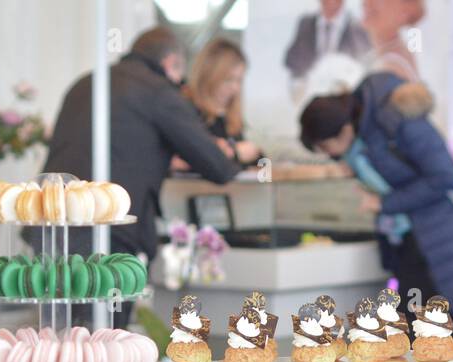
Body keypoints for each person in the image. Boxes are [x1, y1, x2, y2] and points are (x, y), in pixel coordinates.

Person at [299, 74, 453, 348]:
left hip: (445, 246)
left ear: (344, 130)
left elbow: (445, 176)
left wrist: (385, 203)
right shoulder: (363, 140)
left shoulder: (396, 118)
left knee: (442, 349)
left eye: (325, 147)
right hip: (414, 249)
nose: (329, 155)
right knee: (418, 344)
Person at [26, 27, 240, 262]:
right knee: (106, 298)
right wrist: (238, 152)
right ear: (171, 63)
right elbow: (217, 166)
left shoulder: (85, 83)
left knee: (53, 297)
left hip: (47, 218)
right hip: (107, 229)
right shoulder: (159, 91)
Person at [183, 38, 261, 167]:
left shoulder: (229, 118)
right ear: (210, 75)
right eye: (228, 80)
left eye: (239, 81)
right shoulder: (187, 113)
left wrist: (255, 154)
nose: (235, 88)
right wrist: (235, 153)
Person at [284, 0, 372, 80]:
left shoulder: (358, 28)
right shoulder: (306, 24)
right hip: (312, 89)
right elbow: (290, 60)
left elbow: (366, 63)